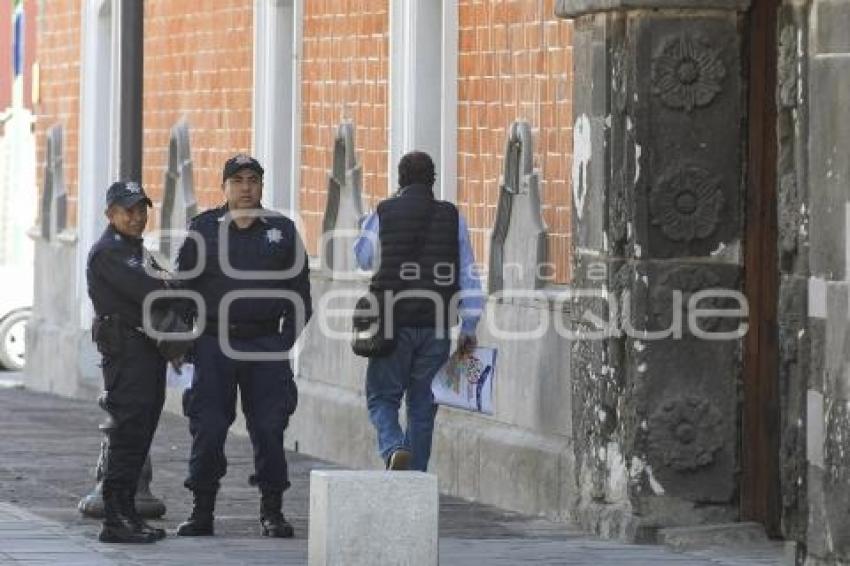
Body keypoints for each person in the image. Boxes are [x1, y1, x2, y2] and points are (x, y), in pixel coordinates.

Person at [175, 154, 312, 538]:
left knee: (269, 428)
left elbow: (301, 293)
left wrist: (284, 340)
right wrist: (191, 342)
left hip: (266, 343)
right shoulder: (204, 229)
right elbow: (182, 289)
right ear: (224, 188)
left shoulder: (282, 230)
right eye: (237, 181)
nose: (246, 187)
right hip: (215, 342)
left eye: (253, 180)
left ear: (261, 186)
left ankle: (273, 510)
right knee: (210, 427)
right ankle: (202, 509)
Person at [353, 150, 484, 472]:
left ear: (400, 179)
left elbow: (363, 257)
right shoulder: (453, 217)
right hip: (437, 324)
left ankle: (394, 446)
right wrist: (468, 327)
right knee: (423, 406)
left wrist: (365, 226)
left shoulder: (384, 212)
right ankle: (416, 480)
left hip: (391, 323)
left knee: (382, 397)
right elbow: (468, 274)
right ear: (433, 180)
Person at [87, 180, 181, 543]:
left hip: (145, 350)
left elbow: (166, 285)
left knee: (140, 434)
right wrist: (170, 287)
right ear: (111, 214)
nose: (138, 216)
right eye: (129, 210)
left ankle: (128, 514)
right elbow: (154, 291)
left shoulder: (134, 249)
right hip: (126, 352)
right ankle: (114, 519)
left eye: (142, 209)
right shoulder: (109, 252)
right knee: (127, 437)